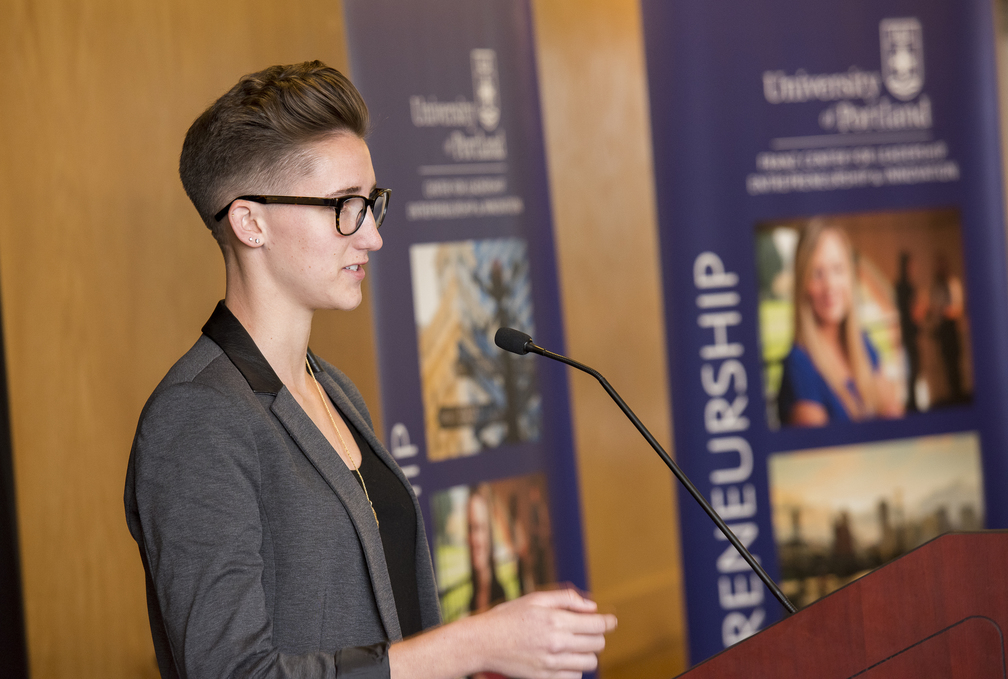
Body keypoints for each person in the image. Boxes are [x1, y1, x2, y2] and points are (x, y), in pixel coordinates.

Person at [124, 61, 615, 679]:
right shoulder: (197, 418)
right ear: (251, 222)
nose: (372, 237)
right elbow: (231, 672)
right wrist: (472, 645)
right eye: (342, 206)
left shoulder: (335, 389)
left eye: (371, 203)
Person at [777, 220, 902, 426]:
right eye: (817, 273)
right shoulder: (799, 365)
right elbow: (822, 455)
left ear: (850, 275)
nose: (830, 285)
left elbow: (893, 413)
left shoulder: (863, 343)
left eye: (838, 269)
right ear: (803, 284)